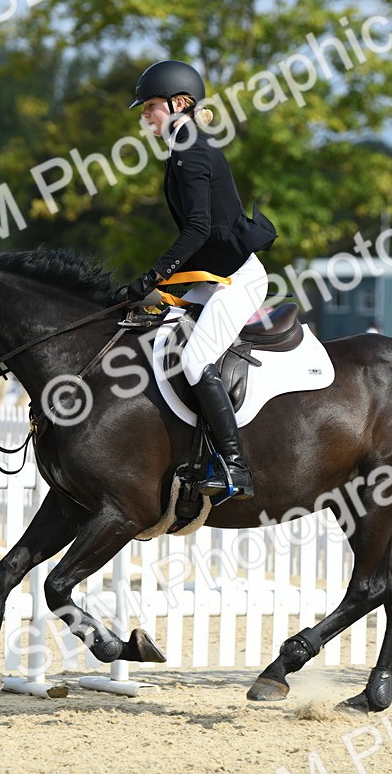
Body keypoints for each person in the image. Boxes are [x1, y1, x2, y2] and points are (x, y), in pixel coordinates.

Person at [121, 60, 277, 501]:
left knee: (193, 362)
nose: (145, 115)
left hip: (236, 280)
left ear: (180, 104)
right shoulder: (184, 147)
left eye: (151, 106)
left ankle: (234, 465)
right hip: (210, 277)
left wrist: (154, 274)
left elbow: (197, 229)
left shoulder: (191, 152)